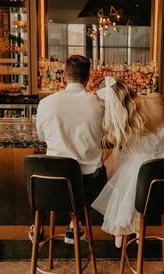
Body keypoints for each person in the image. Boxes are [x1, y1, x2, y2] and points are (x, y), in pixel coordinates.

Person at [91, 76, 164, 246]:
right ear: (125, 86)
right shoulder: (156, 98)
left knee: (112, 168)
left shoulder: (121, 121)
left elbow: (120, 144)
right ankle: (135, 224)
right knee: (123, 165)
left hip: (144, 173)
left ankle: (126, 225)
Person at [36, 55, 107, 243]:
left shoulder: (46, 103)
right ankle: (76, 223)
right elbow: (105, 136)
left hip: (51, 184)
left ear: (65, 75)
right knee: (103, 169)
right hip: (88, 185)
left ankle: (38, 225)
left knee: (41, 167)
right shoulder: (99, 104)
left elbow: (42, 138)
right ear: (88, 77)